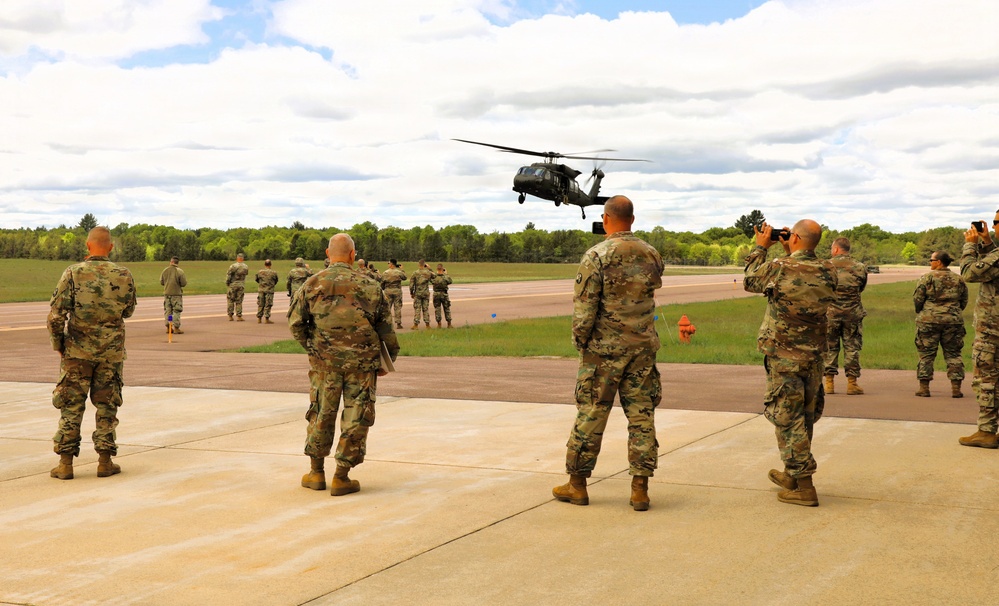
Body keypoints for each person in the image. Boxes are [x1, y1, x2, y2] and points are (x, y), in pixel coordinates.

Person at [552, 196, 664, 511]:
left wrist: (581, 342)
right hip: (641, 349)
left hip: (603, 351)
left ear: (606, 218)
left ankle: (577, 484)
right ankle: (640, 489)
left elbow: (585, 307)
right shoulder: (651, 253)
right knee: (642, 416)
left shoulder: (597, 255)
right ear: (632, 218)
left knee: (592, 413)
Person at [289, 233, 399, 496]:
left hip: (324, 365)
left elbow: (296, 324)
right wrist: (387, 360)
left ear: (328, 254)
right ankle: (342, 476)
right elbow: (386, 330)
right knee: (356, 416)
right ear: (353, 255)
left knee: (321, 413)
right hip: (361, 366)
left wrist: (315, 350)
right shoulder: (371, 286)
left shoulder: (312, 284)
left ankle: (316, 472)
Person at [744, 220, 837, 507]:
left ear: (794, 237)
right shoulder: (829, 270)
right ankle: (792, 475)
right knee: (804, 416)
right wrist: (788, 249)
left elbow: (750, 280)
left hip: (784, 357)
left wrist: (761, 247)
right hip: (814, 356)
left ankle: (804, 485)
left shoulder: (779, 268)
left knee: (787, 418)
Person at [46, 226, 137, 480]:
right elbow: (127, 311)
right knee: (107, 405)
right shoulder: (123, 274)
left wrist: (60, 345)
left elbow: (55, 316)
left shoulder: (73, 273)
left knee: (71, 405)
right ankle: (104, 461)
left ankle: (65, 464)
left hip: (77, 352)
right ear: (110, 247)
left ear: (88, 246)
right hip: (111, 354)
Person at [958, 215, 999, 448]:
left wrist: (971, 245)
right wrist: (987, 243)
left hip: (993, 330)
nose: (992, 227)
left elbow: (969, 273)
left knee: (987, 379)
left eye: (996, 223)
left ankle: (986, 430)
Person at [913, 251, 968, 398]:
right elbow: (964, 300)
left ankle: (924, 388)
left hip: (929, 320)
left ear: (939, 262)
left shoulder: (927, 278)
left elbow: (918, 299)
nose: (930, 262)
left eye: (931, 260)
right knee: (953, 354)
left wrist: (923, 312)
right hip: (953, 321)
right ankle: (956, 388)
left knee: (926, 354)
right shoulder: (958, 279)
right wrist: (953, 312)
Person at [823, 237, 868, 395]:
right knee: (852, 347)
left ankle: (829, 383)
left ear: (835, 249)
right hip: (852, 313)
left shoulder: (826, 266)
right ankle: (852, 383)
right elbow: (861, 287)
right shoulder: (859, 267)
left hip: (830, 313)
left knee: (830, 347)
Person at [159, 256, 187, 334]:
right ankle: (176, 327)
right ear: (177, 263)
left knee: (168, 310)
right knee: (176, 310)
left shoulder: (165, 271)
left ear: (171, 262)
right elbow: (183, 283)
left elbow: (161, 282)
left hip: (167, 294)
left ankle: (168, 327)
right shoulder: (180, 271)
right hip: (176, 294)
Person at [381, 259, 408, 329]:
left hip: (388, 291)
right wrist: (402, 270)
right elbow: (405, 277)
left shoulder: (385, 273)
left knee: (387, 307)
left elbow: (382, 282)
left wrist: (384, 288)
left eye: (389, 263)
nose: (388, 265)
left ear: (392, 264)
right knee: (397, 307)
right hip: (397, 291)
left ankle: (387, 323)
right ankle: (398, 323)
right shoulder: (399, 272)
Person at [409, 260, 434, 329]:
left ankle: (416, 324)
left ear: (418, 264)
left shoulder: (415, 273)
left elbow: (411, 284)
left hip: (418, 293)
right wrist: (429, 268)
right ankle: (427, 324)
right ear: (424, 265)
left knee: (417, 308)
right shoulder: (428, 273)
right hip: (425, 293)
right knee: (425, 308)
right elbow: (435, 277)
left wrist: (411, 292)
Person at [254, 259, 279, 324]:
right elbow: (276, 281)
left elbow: (256, 279)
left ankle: (259, 318)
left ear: (265, 264)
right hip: (269, 290)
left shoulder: (260, 272)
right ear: (270, 264)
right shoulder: (274, 272)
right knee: (268, 304)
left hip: (261, 290)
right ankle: (266, 318)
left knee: (260, 304)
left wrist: (262, 284)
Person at [225, 253, 249, 321]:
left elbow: (229, 275)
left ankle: (230, 315)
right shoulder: (245, 266)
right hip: (241, 285)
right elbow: (245, 274)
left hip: (233, 284)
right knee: (239, 301)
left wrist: (227, 282)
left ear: (237, 258)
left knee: (231, 300)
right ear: (243, 258)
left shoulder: (233, 266)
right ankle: (239, 316)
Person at [431, 263, 453, 328]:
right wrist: (446, 274)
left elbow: (431, 280)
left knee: (437, 309)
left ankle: (439, 323)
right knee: (447, 308)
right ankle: (449, 323)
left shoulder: (434, 277)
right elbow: (450, 281)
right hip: (444, 294)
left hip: (436, 294)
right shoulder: (445, 277)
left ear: (437, 269)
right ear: (442, 269)